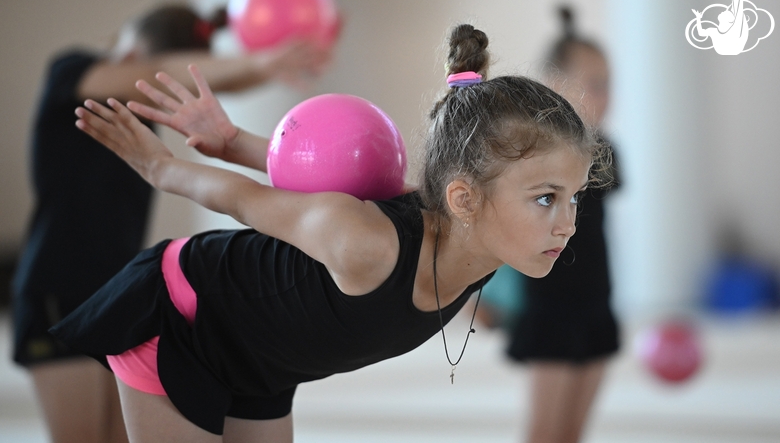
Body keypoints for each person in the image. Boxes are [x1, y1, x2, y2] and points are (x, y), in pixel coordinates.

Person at [51, 24, 608, 442]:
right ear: (465, 198)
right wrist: (160, 167)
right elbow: (248, 201)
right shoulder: (367, 244)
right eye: (545, 198)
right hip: (182, 313)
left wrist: (236, 140)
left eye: (574, 196)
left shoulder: (464, 221)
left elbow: (332, 173)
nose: (568, 222)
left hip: (261, 361)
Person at [11, 2, 334, 443]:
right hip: (56, 284)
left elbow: (194, 80)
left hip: (112, 288)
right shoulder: (75, 70)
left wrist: (265, 67)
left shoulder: (142, 100)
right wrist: (259, 61)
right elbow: (157, 72)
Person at [498, 6, 621, 443]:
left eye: (610, 85)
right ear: (555, 88)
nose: (606, 97)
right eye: (596, 85)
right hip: (551, 303)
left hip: (596, 299)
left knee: (573, 433)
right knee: (545, 432)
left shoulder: (606, 149)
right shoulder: (533, 154)